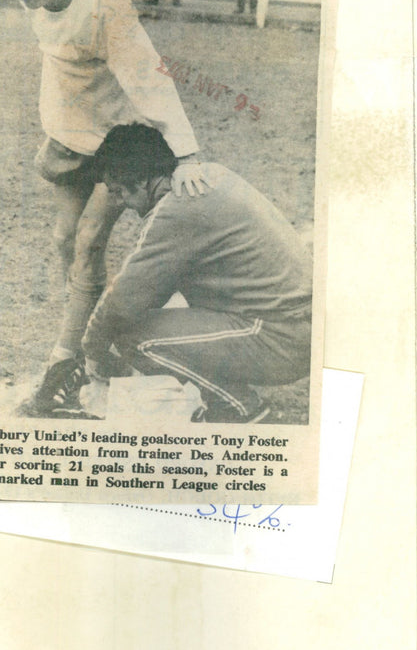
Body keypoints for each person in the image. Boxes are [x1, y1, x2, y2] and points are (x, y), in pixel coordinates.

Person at [5, 0, 208, 414]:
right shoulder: (36, 4)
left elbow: (147, 75)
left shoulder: (105, 4)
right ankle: (97, 332)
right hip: (72, 136)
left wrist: (185, 153)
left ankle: (69, 355)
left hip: (118, 142)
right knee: (65, 242)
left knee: (90, 239)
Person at [58, 123, 313, 424]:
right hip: (298, 324)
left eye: (119, 192)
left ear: (141, 181)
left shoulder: (176, 209)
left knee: (132, 335)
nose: (120, 203)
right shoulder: (209, 175)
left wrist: (92, 351)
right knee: (168, 308)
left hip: (279, 338)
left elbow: (123, 301)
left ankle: (242, 410)